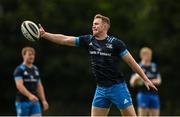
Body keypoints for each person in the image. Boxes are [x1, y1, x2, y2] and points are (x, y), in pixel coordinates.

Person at [39, 14, 157, 116]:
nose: (93, 26)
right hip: (101, 89)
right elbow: (64, 39)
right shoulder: (89, 40)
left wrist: (145, 79)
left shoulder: (116, 43)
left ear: (104, 26)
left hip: (117, 87)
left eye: (96, 24)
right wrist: (45, 34)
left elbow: (132, 62)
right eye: (93, 24)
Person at [13, 47, 49, 116]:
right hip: (22, 101)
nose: (32, 56)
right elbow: (19, 85)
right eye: (29, 54)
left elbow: (39, 86)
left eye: (33, 55)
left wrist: (43, 100)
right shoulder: (19, 69)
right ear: (24, 55)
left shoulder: (35, 69)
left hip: (35, 101)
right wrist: (29, 95)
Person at [130, 47, 161, 116]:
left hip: (154, 94)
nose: (147, 56)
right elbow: (132, 82)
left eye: (149, 55)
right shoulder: (138, 66)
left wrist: (149, 81)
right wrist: (136, 78)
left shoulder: (154, 66)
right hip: (143, 94)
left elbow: (159, 80)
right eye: (145, 55)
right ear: (141, 56)